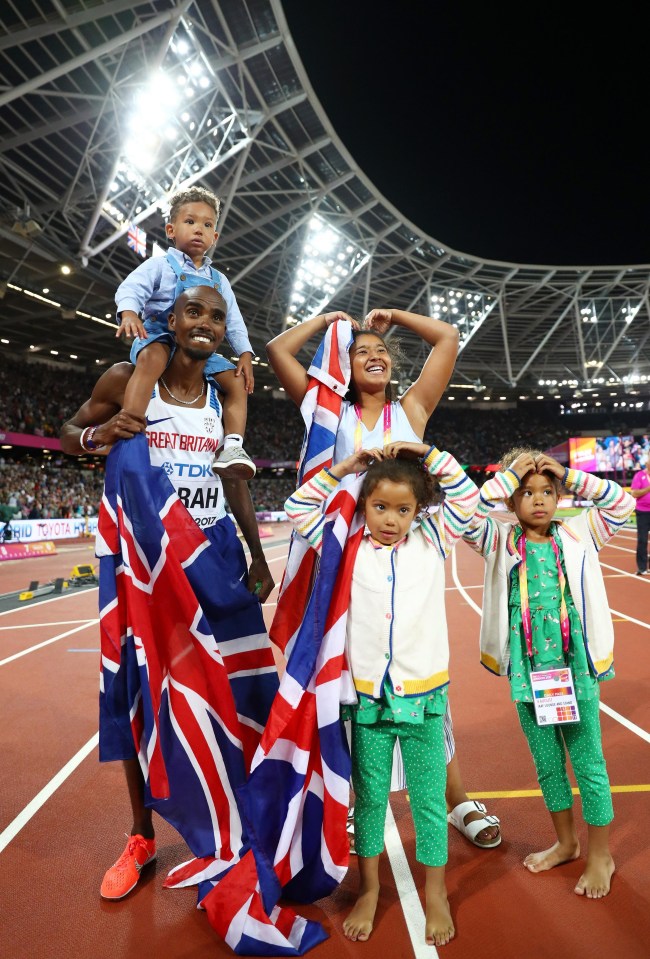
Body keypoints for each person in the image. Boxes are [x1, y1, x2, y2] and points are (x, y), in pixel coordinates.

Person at [60, 285, 278, 901]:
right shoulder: (130, 378)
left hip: (212, 557)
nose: (205, 323)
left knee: (240, 686)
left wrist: (257, 551)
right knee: (134, 694)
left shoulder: (223, 396)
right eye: (193, 312)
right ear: (172, 321)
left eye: (215, 314)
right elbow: (69, 429)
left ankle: (242, 811)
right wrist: (95, 437)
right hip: (145, 568)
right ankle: (141, 837)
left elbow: (235, 481)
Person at [266, 307, 501, 849]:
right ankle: (349, 802)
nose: (373, 357)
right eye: (360, 353)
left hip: (406, 552)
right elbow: (280, 351)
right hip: (342, 558)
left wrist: (394, 316)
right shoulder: (325, 410)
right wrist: (329, 322)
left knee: (418, 679)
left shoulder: (411, 409)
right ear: (341, 367)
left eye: (382, 352)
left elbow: (448, 335)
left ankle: (457, 800)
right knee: (349, 686)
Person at [285, 441, 479, 946]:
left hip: (423, 698)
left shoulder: (432, 540)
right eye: (379, 506)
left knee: (429, 801)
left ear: (419, 511)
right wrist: (346, 467)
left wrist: (428, 452)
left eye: (403, 509)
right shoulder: (344, 544)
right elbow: (297, 507)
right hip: (368, 700)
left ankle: (434, 892)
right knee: (369, 800)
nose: (391, 519)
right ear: (363, 504)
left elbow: (467, 496)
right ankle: (369, 887)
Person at [464, 447, 635, 897]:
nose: (538, 499)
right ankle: (567, 842)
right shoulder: (498, 540)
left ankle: (601, 853)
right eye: (526, 492)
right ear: (510, 500)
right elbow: (462, 515)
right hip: (529, 676)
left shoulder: (581, 534)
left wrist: (569, 474)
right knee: (548, 766)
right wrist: (505, 479)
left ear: (559, 495)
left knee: (589, 762)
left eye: (547, 490)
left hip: (576, 670)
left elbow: (622, 503)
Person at [114, 185, 256, 479]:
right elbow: (132, 288)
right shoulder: (160, 265)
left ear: (214, 237)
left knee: (237, 383)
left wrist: (244, 353)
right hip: (160, 336)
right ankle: (131, 426)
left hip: (202, 349)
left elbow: (234, 321)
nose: (198, 230)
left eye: (207, 225)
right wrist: (129, 312)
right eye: (190, 222)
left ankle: (232, 445)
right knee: (151, 359)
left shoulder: (219, 280)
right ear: (171, 229)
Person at [629, 464, 650, 574]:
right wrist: (648, 489)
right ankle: (642, 567)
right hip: (643, 512)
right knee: (642, 540)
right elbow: (634, 493)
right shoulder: (639, 475)